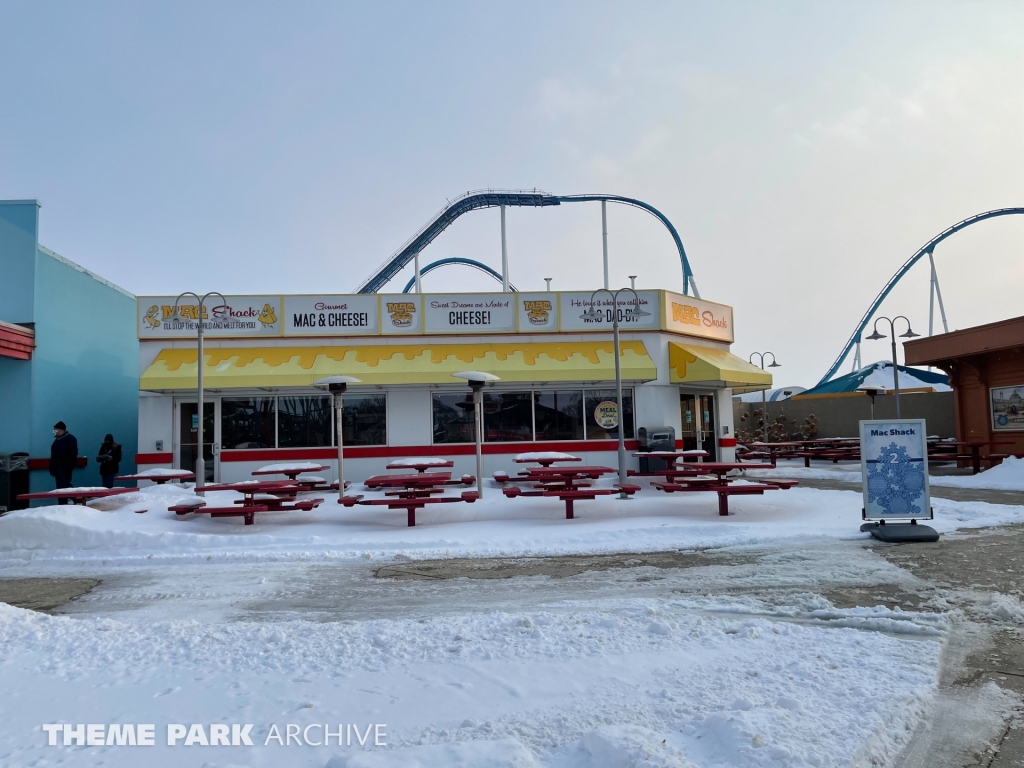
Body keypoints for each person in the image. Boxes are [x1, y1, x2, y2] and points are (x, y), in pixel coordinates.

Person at [49, 421, 79, 504]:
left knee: (64, 486)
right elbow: (53, 456)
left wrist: (69, 465)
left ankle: (73, 498)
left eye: (56, 430)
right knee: (60, 488)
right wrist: (52, 467)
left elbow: (73, 453)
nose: (54, 432)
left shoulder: (70, 439)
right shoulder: (56, 441)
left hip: (65, 468)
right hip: (57, 468)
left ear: (61, 430)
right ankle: (63, 503)